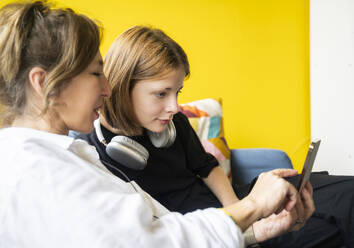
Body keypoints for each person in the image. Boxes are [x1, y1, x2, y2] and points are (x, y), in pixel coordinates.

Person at [0, 1, 314, 247]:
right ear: (43, 84)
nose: (108, 89)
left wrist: (256, 231)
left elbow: (159, 229)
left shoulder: (63, 156)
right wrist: (254, 206)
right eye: (96, 73)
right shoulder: (36, 173)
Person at [79, 25, 354, 247]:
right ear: (122, 87)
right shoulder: (94, 154)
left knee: (344, 192)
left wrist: (243, 208)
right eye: (161, 94)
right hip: (204, 231)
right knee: (333, 223)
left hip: (231, 208)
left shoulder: (173, 123)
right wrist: (245, 226)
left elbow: (207, 167)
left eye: (177, 92)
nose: (174, 107)